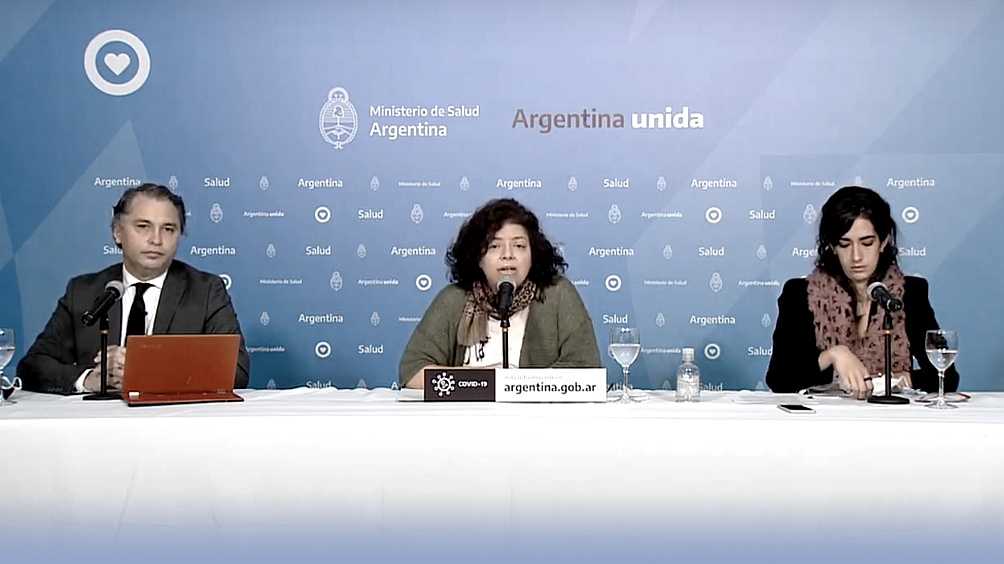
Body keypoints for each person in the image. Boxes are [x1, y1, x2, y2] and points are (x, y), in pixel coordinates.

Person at [18, 183, 250, 394]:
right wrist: (90, 379)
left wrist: (147, 369)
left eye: (168, 229)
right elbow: (33, 366)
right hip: (97, 423)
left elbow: (236, 371)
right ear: (117, 232)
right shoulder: (83, 292)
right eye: (143, 226)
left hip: (171, 421)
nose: (156, 240)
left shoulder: (206, 291)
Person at [766, 186, 958, 398]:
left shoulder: (910, 293)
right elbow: (779, 378)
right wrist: (832, 355)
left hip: (891, 415)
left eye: (867, 243)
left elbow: (946, 376)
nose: (856, 256)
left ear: (883, 242)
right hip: (825, 416)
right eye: (845, 244)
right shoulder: (799, 294)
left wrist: (895, 381)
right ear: (832, 246)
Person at [400, 198, 601, 388]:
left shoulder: (558, 294)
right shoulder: (454, 298)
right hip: (468, 410)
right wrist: (486, 382)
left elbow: (586, 369)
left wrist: (515, 386)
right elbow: (413, 371)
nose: (507, 255)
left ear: (533, 254)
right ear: (478, 257)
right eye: (494, 246)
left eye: (519, 246)